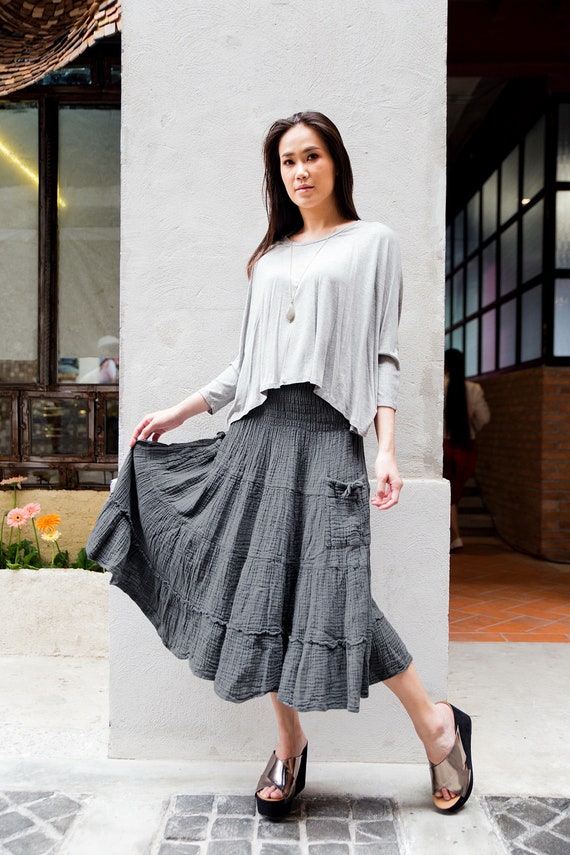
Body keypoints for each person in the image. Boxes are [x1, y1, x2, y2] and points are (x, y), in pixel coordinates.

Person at [87, 112, 473, 818]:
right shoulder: (269, 259)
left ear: (336, 163)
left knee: (335, 592)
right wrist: (182, 410)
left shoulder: (373, 242)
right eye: (288, 162)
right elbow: (248, 362)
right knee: (258, 590)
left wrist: (386, 448)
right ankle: (290, 743)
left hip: (327, 435)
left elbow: (383, 355)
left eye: (311, 156)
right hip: (256, 436)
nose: (299, 171)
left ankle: (436, 723)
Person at [443, 348, 491, 551]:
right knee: (454, 495)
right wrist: (472, 429)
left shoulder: (441, 386)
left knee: (449, 494)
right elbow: (484, 418)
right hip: (466, 447)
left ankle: (454, 537)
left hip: (445, 445)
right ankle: (455, 537)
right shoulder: (474, 389)